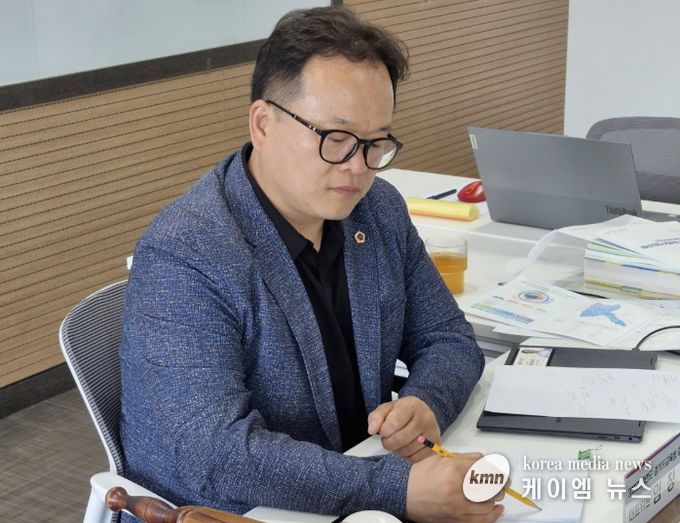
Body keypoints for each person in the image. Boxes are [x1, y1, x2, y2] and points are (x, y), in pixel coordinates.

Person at [120, 6, 503, 523]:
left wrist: (426, 402)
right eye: (335, 139)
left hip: (355, 487)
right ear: (263, 124)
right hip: (237, 511)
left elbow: (447, 337)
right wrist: (397, 489)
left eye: (376, 144)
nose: (358, 168)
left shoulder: (377, 210)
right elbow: (214, 453)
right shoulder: (187, 251)